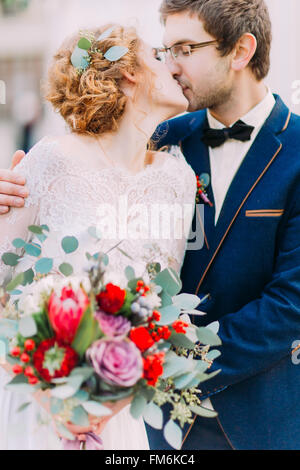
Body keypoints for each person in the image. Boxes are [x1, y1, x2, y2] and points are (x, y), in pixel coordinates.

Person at [2, 0, 300, 451]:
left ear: (240, 52)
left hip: (253, 420)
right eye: (163, 52)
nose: (172, 65)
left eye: (183, 48)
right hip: (133, 421)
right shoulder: (162, 139)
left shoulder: (279, 155)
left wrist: (140, 370)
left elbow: (290, 303)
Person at [0, 24, 197, 450]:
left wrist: (114, 397)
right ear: (130, 75)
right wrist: (47, 394)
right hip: (38, 405)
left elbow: (161, 312)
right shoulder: (51, 159)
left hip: (118, 418)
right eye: (160, 57)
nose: (175, 67)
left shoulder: (179, 181)